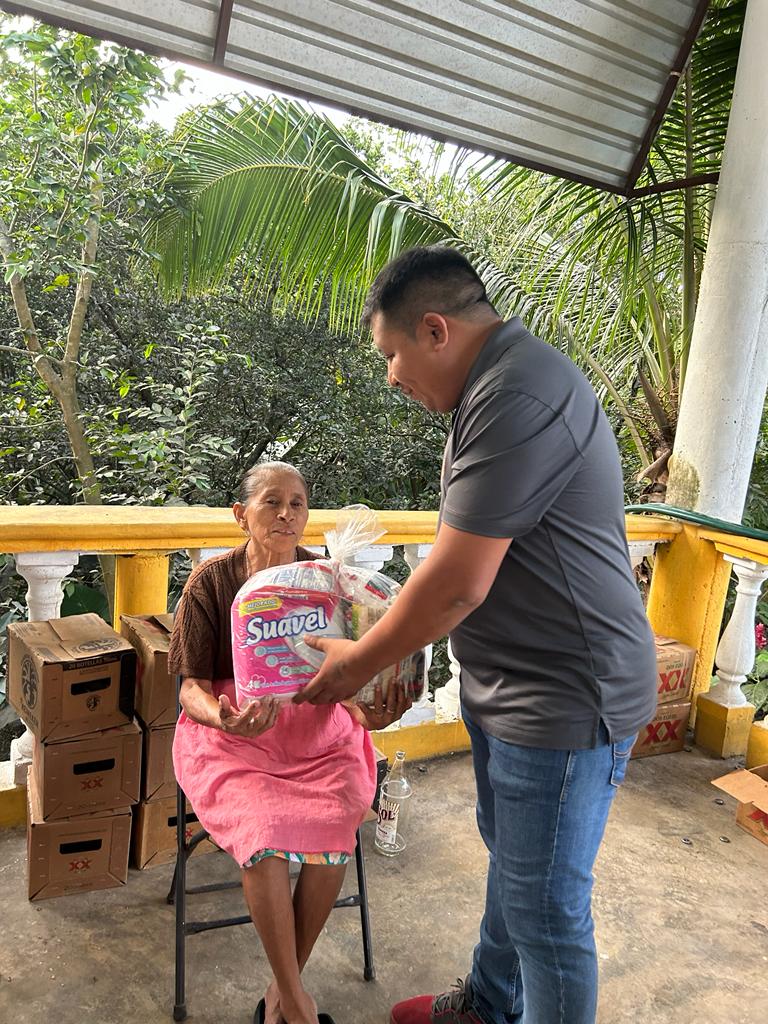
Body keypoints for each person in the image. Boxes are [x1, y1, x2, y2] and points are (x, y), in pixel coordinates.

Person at [295, 248, 658, 1024]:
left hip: (564, 695)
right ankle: (488, 1006)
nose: (390, 375)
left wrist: (358, 663)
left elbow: (458, 582)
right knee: (519, 871)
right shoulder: (493, 385)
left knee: (548, 914)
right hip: (516, 685)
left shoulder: (519, 391)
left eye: (391, 354)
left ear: (434, 330)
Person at [168, 461, 410, 1024]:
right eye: (272, 502)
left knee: (337, 821)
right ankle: (297, 1005)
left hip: (318, 727)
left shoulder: (327, 580)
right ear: (241, 514)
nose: (286, 514)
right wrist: (223, 719)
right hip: (235, 732)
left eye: (297, 504)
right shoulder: (212, 582)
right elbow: (189, 689)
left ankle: (283, 998)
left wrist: (367, 709)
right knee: (264, 836)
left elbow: (345, 678)